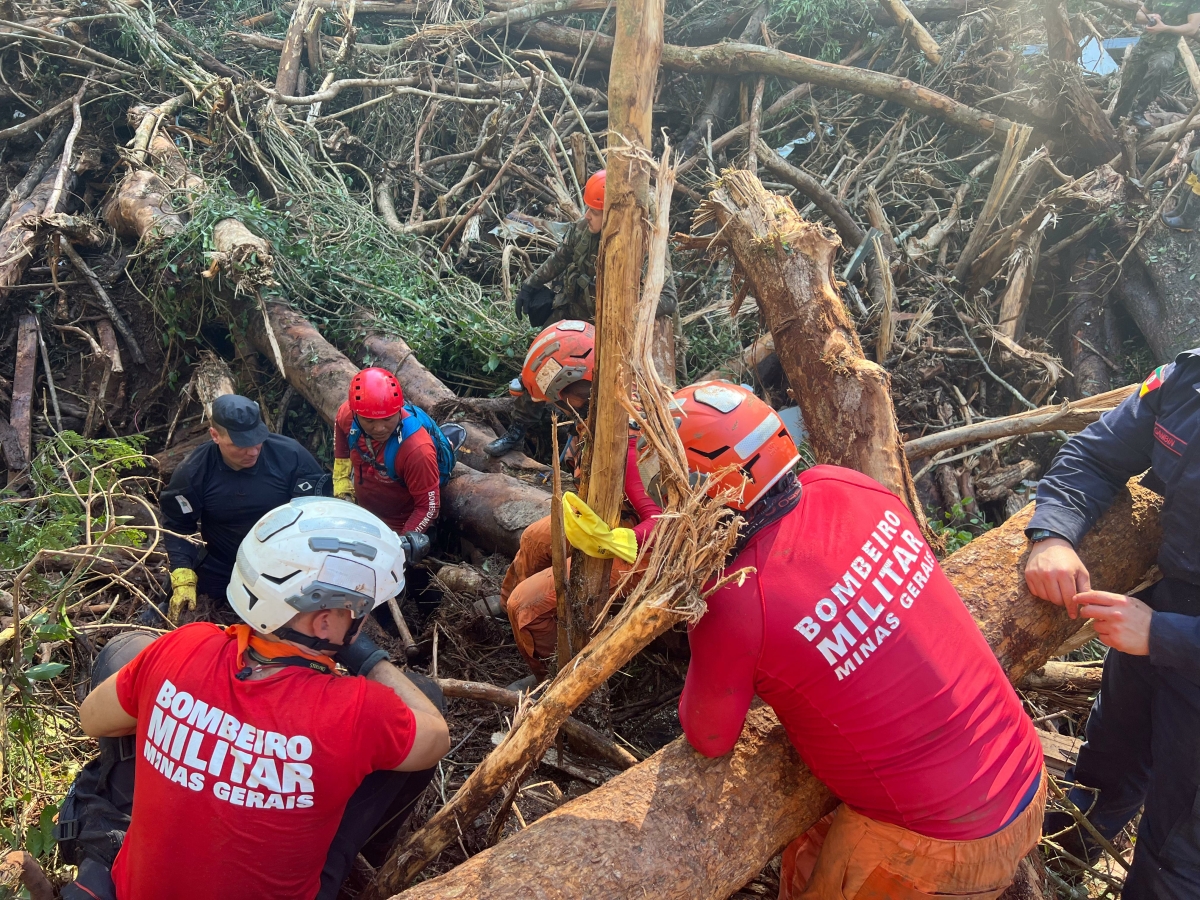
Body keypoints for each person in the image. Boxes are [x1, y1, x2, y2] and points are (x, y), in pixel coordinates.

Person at [668, 382, 1045, 900]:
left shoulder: (735, 598)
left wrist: (701, 616)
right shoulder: (845, 485)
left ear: (698, 487)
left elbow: (708, 737)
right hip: (1022, 768)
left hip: (936, 845)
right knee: (808, 849)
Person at [58, 498, 450, 900]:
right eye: (360, 612)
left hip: (140, 888)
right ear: (325, 621)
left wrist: (190, 736)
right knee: (427, 695)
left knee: (129, 653)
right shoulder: (360, 711)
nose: (364, 618)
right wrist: (368, 658)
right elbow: (437, 735)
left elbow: (94, 719)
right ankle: (368, 853)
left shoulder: (183, 646)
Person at [1024, 351, 1200, 898]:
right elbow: (1095, 457)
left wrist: (1164, 636)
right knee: (1104, 773)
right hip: (1157, 612)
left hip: (1170, 637)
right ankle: (1058, 875)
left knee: (1176, 857)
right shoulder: (1187, 381)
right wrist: (1052, 534)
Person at [497, 320, 661, 678]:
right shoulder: (597, 414)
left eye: (562, 397)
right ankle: (510, 615)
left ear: (582, 385)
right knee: (534, 539)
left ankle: (551, 675)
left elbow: (666, 525)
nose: (559, 406)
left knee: (526, 606)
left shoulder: (630, 438)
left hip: (647, 546)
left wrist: (617, 540)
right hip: (615, 520)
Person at [486, 170, 678, 457]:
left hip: (607, 334)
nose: (587, 215)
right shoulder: (581, 230)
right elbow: (560, 258)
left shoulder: (645, 246)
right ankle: (519, 430)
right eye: (588, 208)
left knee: (591, 394)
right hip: (570, 319)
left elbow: (668, 299)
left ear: (614, 215)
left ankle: (578, 446)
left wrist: (624, 316)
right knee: (541, 370)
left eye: (595, 211)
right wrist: (530, 284)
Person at [160, 393, 328, 622]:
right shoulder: (194, 471)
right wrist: (182, 573)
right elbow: (177, 526)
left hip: (286, 564)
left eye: (257, 440)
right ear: (215, 435)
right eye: (240, 444)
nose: (252, 451)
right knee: (181, 612)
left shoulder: (290, 456)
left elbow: (319, 511)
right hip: (223, 563)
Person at [333, 367, 461, 540]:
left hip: (397, 525)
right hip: (361, 513)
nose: (379, 428)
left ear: (399, 411)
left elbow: (428, 508)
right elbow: (340, 429)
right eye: (369, 420)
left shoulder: (417, 450)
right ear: (356, 413)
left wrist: (403, 543)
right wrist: (341, 478)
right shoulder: (348, 415)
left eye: (387, 418)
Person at [1112, 0, 1200, 129]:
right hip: (1143, 46)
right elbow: (1139, 15)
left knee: (1161, 67)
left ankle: (1138, 114)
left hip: (1165, 48)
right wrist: (1151, 17)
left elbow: (1192, 28)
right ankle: (1117, 119)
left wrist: (1165, 28)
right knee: (1128, 85)